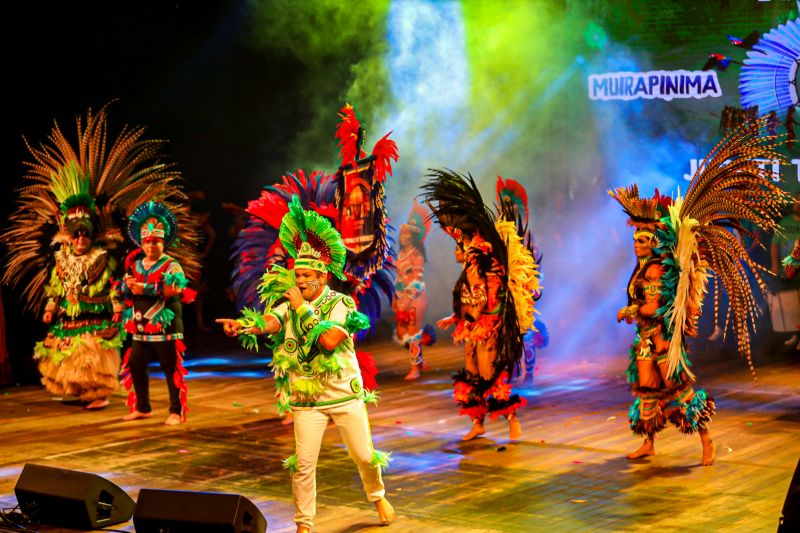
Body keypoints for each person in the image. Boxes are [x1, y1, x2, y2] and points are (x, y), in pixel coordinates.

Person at [610, 116, 789, 466]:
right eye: (635, 238)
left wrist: (630, 311)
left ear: (653, 243)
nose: (636, 243)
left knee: (678, 390)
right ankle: (648, 442)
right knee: (646, 390)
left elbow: (656, 307)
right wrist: (634, 314)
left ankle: (707, 441)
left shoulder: (657, 269)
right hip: (645, 339)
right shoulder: (641, 269)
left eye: (642, 239)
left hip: (662, 340)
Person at [219, 196, 394, 533]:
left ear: (322, 277)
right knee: (303, 465)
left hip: (343, 394)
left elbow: (328, 340)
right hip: (306, 398)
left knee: (363, 455)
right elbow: (270, 321)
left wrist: (301, 308)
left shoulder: (343, 305)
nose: (298, 281)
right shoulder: (289, 305)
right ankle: (304, 524)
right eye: (296, 275)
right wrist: (244, 326)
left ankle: (377, 495)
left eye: (305, 275)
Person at [0, 106, 192, 409]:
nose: (80, 240)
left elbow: (116, 285)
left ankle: (102, 393)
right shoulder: (61, 258)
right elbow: (55, 287)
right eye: (75, 235)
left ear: (92, 235)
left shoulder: (103, 258)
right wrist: (51, 307)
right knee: (72, 353)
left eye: (85, 235)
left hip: (107, 316)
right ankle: (81, 390)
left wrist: (118, 306)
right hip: (71, 316)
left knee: (96, 353)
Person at [423, 170, 539, 442]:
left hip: (486, 326)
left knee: (489, 374)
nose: (455, 248)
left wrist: (480, 320)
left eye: (459, 244)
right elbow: (466, 298)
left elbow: (490, 296)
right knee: (471, 375)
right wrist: (456, 317)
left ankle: (512, 419)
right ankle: (478, 423)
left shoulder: (483, 259)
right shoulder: (467, 267)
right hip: (469, 327)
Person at [119, 201, 196, 426]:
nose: (151, 245)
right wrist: (126, 286)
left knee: (170, 368)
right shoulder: (135, 265)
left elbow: (176, 289)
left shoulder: (172, 265)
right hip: (141, 326)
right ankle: (142, 407)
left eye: (156, 241)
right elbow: (125, 290)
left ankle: (176, 411)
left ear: (164, 242)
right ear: (141, 243)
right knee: (135, 364)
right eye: (147, 241)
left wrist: (144, 288)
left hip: (165, 326)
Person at [392, 200, 436, 380]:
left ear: (413, 237)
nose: (402, 236)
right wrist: (396, 298)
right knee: (402, 333)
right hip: (402, 297)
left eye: (406, 233)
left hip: (416, 298)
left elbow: (417, 282)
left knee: (413, 334)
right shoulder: (402, 254)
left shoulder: (417, 256)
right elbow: (398, 278)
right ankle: (420, 361)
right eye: (402, 233)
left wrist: (407, 300)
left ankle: (415, 369)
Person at [770, 192, 800, 348]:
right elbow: (775, 244)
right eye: (796, 201)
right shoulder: (785, 222)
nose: (798, 204)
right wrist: (775, 265)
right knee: (793, 305)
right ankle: (796, 335)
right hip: (788, 270)